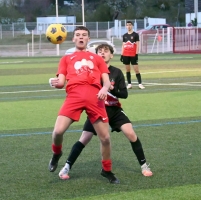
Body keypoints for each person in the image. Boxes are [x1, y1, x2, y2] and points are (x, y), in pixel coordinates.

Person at [58, 43, 153, 180]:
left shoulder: (117, 72)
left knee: (131, 133)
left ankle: (144, 166)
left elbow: (124, 94)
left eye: (106, 51)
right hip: (96, 109)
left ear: (111, 55)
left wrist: (111, 89)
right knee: (84, 139)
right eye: (99, 51)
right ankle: (66, 167)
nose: (102, 53)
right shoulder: (90, 70)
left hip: (114, 110)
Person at [48, 26, 119, 184]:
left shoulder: (98, 59)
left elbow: (107, 82)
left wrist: (104, 89)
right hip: (74, 97)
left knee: (106, 138)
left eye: (84, 35)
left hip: (95, 98)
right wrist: (54, 82)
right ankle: (57, 153)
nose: (81, 37)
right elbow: (61, 82)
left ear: (88, 39)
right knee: (57, 132)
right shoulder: (66, 59)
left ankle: (106, 170)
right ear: (73, 39)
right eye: (78, 35)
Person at [120, 21, 145, 89]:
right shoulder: (125, 35)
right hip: (126, 55)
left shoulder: (135, 35)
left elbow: (137, 45)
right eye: (127, 25)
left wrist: (136, 54)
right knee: (127, 70)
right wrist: (122, 55)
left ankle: (140, 84)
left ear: (132, 26)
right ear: (126, 26)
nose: (128, 26)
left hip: (133, 55)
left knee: (136, 69)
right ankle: (129, 84)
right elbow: (123, 45)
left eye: (130, 25)